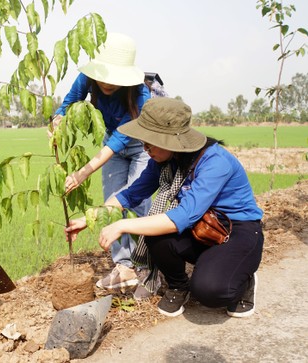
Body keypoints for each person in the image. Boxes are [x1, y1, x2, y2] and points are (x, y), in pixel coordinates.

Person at [65, 98, 264, 318]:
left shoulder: (215, 162)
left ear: (172, 141)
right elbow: (131, 194)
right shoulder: (164, 161)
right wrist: (89, 218)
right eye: (144, 141)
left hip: (236, 231)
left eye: (150, 142)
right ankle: (178, 286)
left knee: (210, 291)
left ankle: (243, 279)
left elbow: (184, 216)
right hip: (202, 227)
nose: (144, 148)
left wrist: (122, 225)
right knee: (154, 234)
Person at [49, 32, 152, 293]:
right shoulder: (86, 79)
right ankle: (123, 267)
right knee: (112, 200)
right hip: (111, 143)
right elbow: (68, 104)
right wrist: (58, 123)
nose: (106, 83)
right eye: (103, 76)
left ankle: (145, 267)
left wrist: (83, 173)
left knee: (137, 202)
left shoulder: (141, 96)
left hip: (140, 144)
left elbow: (120, 140)